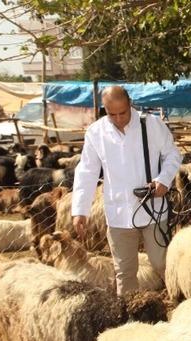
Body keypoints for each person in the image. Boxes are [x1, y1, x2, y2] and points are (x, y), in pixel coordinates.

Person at [71, 86, 181, 295]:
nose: (119, 118)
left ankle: (180, 303)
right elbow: (87, 171)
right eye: (113, 114)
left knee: (163, 264)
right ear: (105, 110)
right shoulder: (96, 132)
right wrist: (80, 210)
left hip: (153, 209)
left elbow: (172, 155)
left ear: (130, 104)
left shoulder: (151, 124)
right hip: (119, 214)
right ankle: (130, 317)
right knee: (124, 271)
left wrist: (163, 180)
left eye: (123, 112)